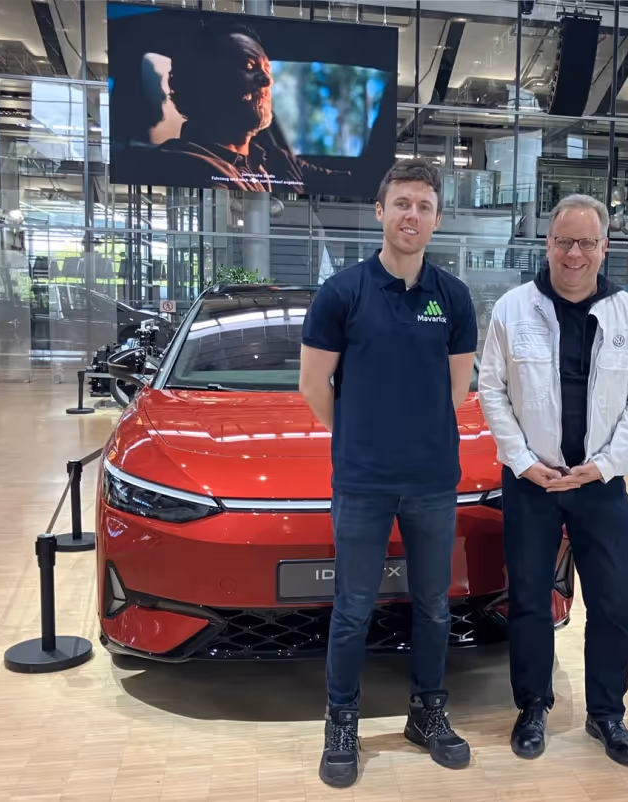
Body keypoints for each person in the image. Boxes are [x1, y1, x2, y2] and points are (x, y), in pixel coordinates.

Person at [298, 158, 478, 788]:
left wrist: (412, 433)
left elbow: (456, 392)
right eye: (402, 203)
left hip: (432, 479)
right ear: (380, 212)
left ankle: (427, 713)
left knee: (432, 606)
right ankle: (341, 720)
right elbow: (315, 386)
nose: (412, 216)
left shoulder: (452, 297)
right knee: (352, 608)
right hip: (363, 481)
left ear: (436, 219)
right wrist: (362, 436)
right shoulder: (342, 293)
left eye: (424, 206)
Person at [477, 194, 628, 767]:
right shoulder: (512, 309)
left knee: (613, 603)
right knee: (530, 600)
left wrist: (601, 466)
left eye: (586, 243)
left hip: (600, 485)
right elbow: (491, 390)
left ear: (604, 247)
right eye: (564, 242)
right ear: (548, 244)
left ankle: (608, 714)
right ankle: (532, 706)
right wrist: (523, 460)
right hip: (531, 484)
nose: (574, 254)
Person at [153, 25, 330, 193]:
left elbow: (345, 183)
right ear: (203, 82)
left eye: (268, 70)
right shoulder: (187, 166)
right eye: (249, 67)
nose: (268, 81)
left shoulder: (273, 158)